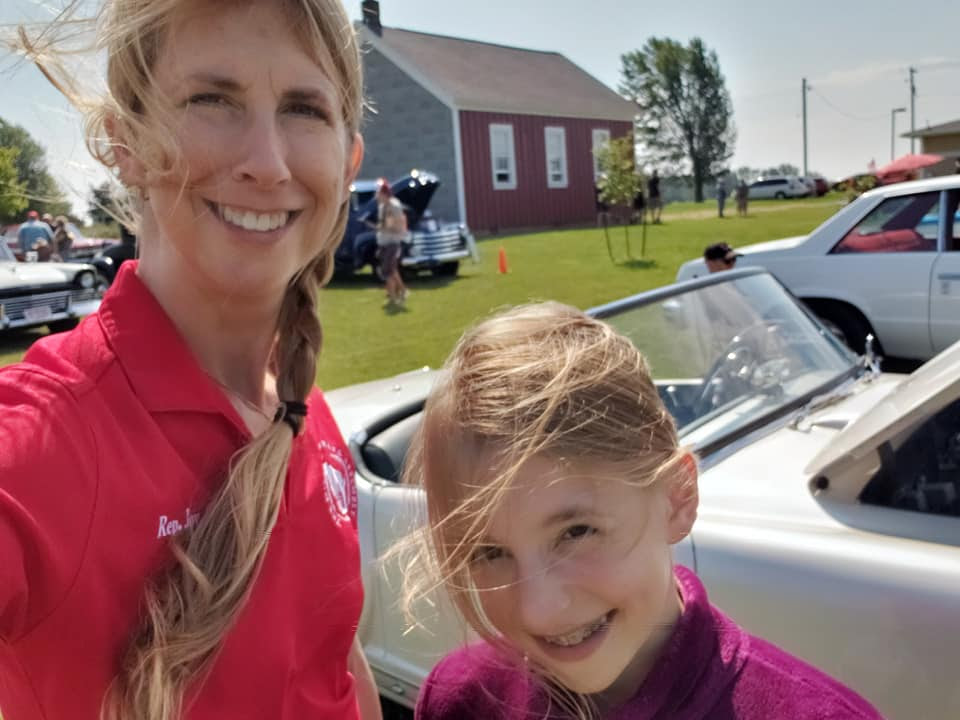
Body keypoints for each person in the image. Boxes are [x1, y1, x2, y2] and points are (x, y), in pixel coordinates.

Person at [1, 2, 382, 720]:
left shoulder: (304, 411)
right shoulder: (49, 437)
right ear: (125, 139)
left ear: (349, 156)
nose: (268, 164)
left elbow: (330, 657)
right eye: (213, 99)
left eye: (304, 109)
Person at [404, 303, 884, 720]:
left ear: (677, 496)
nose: (539, 609)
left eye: (576, 532)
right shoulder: (462, 699)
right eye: (487, 552)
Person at [374, 178, 409, 306]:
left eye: (378, 192)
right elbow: (382, 223)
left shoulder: (394, 206)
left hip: (392, 242)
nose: (376, 195)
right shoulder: (381, 207)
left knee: (388, 270)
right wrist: (380, 226)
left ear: (384, 193)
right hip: (383, 241)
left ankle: (393, 296)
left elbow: (398, 223)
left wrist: (388, 226)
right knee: (391, 270)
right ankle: (401, 291)